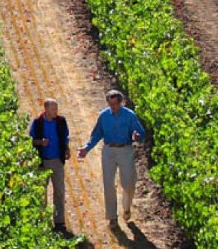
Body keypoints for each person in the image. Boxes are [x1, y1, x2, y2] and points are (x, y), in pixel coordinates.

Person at [78, 89, 145, 227]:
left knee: (128, 184)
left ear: (120, 102)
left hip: (125, 150)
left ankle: (126, 208)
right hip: (108, 150)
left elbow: (141, 132)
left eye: (115, 104)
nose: (113, 107)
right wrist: (87, 148)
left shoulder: (129, 115)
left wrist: (137, 136)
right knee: (108, 184)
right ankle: (112, 217)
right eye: (110, 104)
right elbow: (97, 134)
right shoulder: (103, 116)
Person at [28, 97, 70, 230]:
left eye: (56, 108)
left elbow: (65, 137)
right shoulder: (38, 123)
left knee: (59, 191)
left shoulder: (61, 121)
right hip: (42, 162)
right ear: (46, 109)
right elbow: (31, 141)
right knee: (41, 192)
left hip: (57, 161)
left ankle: (59, 221)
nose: (55, 111)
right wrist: (41, 142)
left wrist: (67, 149)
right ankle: (43, 220)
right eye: (53, 109)